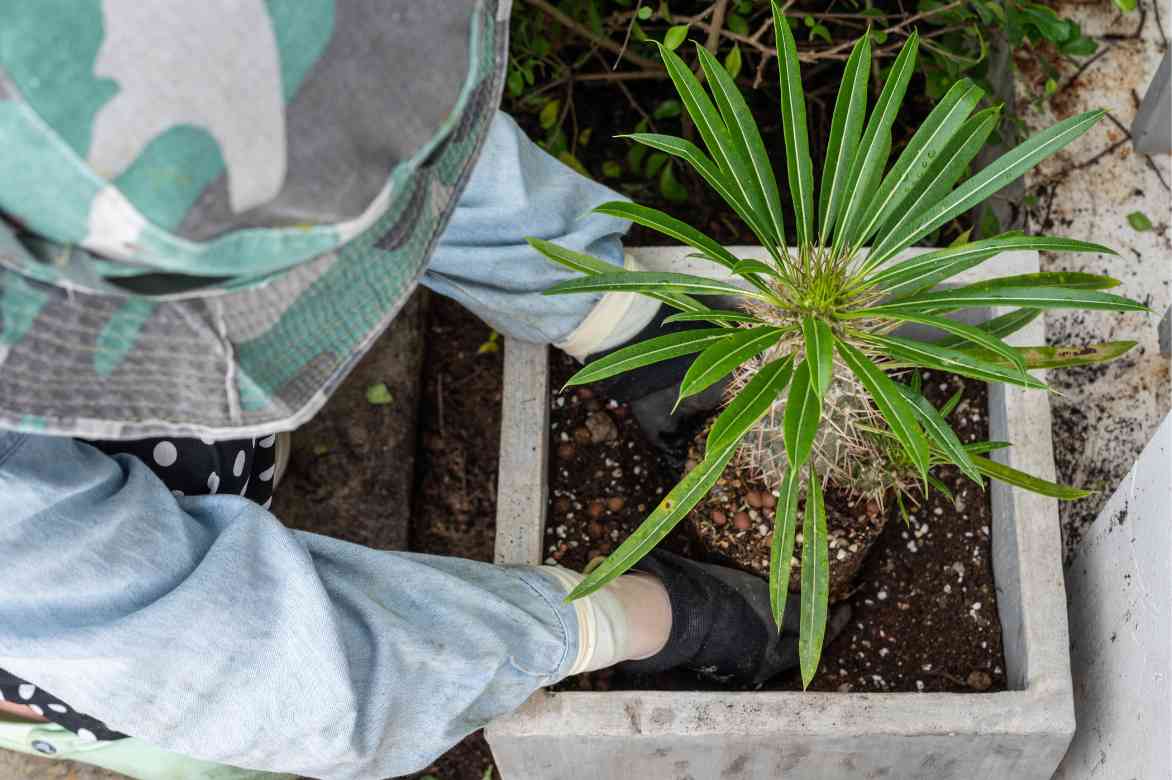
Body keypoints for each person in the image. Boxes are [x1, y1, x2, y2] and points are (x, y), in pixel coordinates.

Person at [0, 3, 825, 778]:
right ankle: (64, 722)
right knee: (189, 725)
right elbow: (242, 660)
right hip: (78, 635)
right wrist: (618, 620)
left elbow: (358, 127)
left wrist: (622, 321)